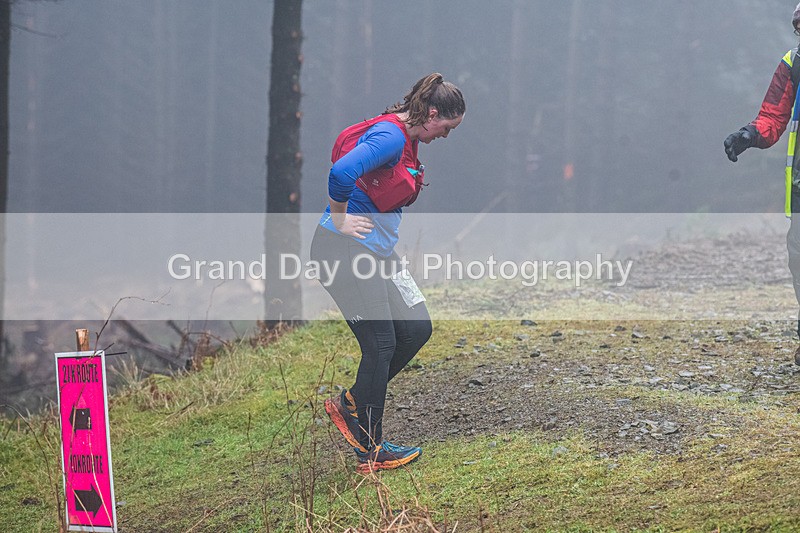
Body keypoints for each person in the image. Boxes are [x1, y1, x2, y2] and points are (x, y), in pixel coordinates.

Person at [310, 73, 465, 473]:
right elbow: (341, 172)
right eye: (447, 128)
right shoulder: (392, 135)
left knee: (416, 328)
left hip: (376, 252)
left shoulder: (407, 134)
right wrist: (341, 219)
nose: (445, 136)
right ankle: (372, 449)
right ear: (432, 114)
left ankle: (351, 403)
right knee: (380, 343)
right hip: (343, 250)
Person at [724, 3, 800, 365]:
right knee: (799, 260)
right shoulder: (793, 61)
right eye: (799, 29)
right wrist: (748, 135)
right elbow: (773, 114)